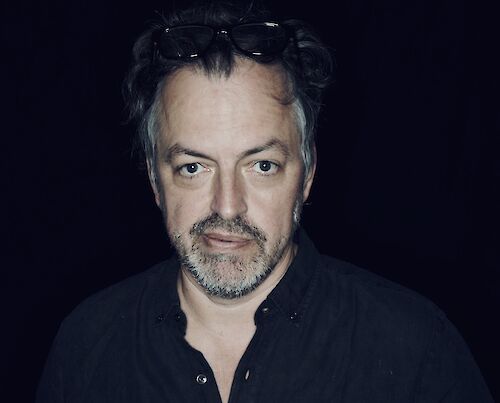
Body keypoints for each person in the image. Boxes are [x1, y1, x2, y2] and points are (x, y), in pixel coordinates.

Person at [36, 1, 493, 402]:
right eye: (193, 167)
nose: (227, 206)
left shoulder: (417, 350)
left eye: (262, 165)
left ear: (307, 173)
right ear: (156, 179)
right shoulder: (85, 346)